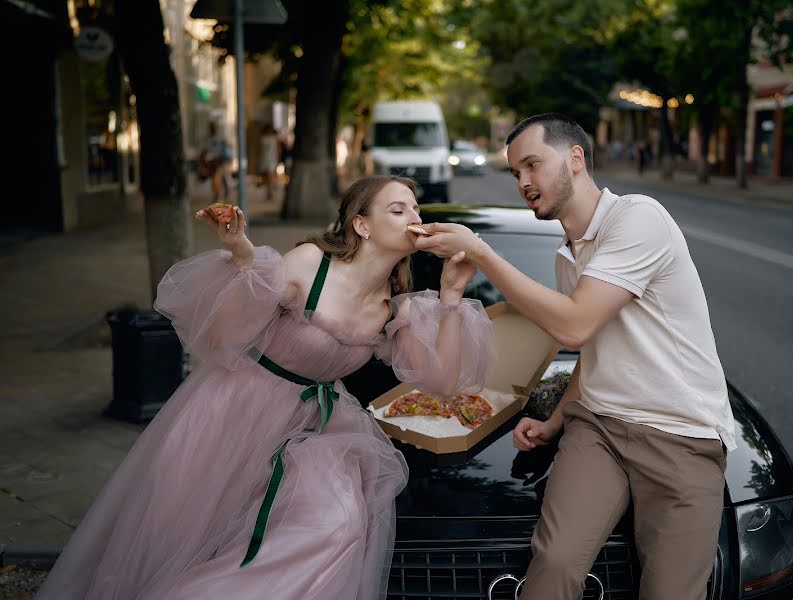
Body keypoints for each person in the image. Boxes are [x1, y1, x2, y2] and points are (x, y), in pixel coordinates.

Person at [35, 175, 495, 600]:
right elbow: (225, 335)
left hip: (319, 431)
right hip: (237, 411)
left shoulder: (397, 310)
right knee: (195, 534)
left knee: (338, 525)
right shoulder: (311, 263)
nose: (414, 218)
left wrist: (452, 299)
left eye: (416, 209)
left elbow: (443, 381)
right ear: (362, 224)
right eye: (398, 209)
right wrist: (240, 254)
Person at [414, 113, 736, 600]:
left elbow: (574, 325)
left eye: (532, 165)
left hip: (680, 434)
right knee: (555, 564)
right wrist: (556, 420)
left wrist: (479, 251)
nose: (524, 182)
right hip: (599, 428)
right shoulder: (569, 254)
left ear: (575, 159)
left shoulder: (638, 217)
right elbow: (595, 349)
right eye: (515, 172)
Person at [200, 121, 232, 202]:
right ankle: (218, 194)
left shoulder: (220, 138)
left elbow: (226, 149)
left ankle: (217, 195)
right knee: (216, 178)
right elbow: (204, 151)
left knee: (217, 178)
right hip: (212, 162)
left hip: (219, 161)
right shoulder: (208, 139)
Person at [258, 124, 279, 201]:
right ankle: (269, 191)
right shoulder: (267, 138)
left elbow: (277, 150)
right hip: (268, 159)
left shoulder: (269, 139)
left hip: (269, 159)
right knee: (267, 177)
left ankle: (269, 192)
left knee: (269, 177)